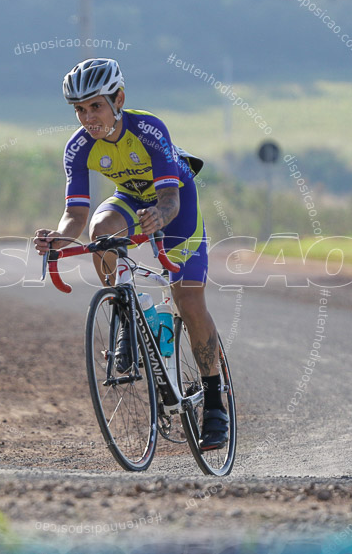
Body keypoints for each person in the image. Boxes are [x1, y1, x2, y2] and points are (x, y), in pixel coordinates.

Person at [34, 58, 228, 451]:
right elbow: (76, 212)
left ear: (118, 99)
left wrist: (160, 215)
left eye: (96, 106)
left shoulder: (148, 129)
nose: (88, 117)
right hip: (130, 200)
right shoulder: (77, 147)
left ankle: (214, 403)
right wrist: (60, 238)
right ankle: (128, 310)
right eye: (80, 109)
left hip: (176, 204)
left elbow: (170, 199)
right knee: (100, 233)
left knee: (188, 301)